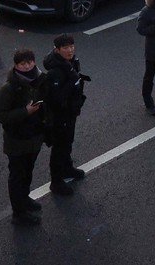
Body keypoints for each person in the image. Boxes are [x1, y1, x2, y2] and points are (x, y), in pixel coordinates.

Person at [0, 48, 48, 226]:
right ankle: (19, 213)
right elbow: (1, 115)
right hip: (17, 141)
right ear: (16, 66)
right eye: (23, 63)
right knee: (17, 176)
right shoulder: (9, 88)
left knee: (28, 173)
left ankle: (25, 200)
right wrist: (26, 111)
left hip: (34, 138)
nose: (27, 66)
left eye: (30, 62)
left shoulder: (39, 79)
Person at [41, 34, 89, 196]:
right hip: (59, 116)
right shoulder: (55, 72)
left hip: (70, 112)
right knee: (59, 148)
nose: (70, 50)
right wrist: (72, 82)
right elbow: (55, 99)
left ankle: (67, 168)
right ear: (57, 50)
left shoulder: (70, 63)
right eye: (66, 48)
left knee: (68, 142)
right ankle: (56, 182)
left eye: (72, 46)